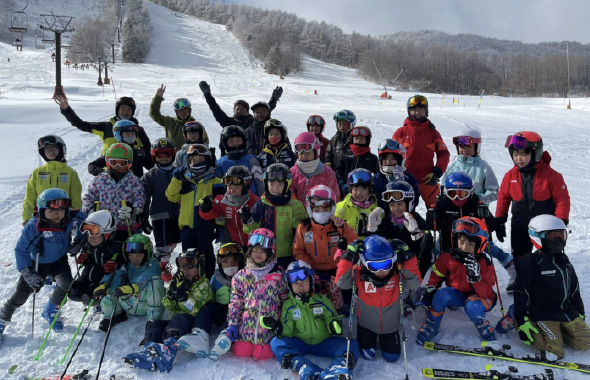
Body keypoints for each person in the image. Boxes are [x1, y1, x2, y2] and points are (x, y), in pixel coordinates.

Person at [496, 215, 589, 359]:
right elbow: (522, 293)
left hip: (566, 313)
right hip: (543, 316)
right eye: (552, 236)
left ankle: (560, 332)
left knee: (586, 342)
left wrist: (579, 311)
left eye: (561, 235)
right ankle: (526, 325)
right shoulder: (530, 263)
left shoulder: (564, 261)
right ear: (538, 237)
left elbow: (574, 289)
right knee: (556, 352)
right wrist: (522, 320)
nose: (558, 240)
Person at [0, 189, 86, 336]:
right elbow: (21, 250)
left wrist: (79, 240)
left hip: (59, 260)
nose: (57, 214)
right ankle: (2, 319)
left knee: (66, 285)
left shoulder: (70, 217)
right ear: (42, 210)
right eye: (52, 211)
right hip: (37, 263)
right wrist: (27, 273)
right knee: (22, 295)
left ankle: (51, 310)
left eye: (61, 210)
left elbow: (84, 220)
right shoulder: (34, 226)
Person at [263, 260, 360, 380]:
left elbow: (332, 316)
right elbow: (287, 328)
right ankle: (304, 367)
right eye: (296, 283)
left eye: (304, 281)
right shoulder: (289, 305)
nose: (301, 286)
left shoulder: (322, 300)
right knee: (276, 343)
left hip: (323, 342)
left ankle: (337, 368)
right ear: (290, 285)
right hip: (301, 342)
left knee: (351, 344)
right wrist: (278, 328)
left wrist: (334, 324)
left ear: (312, 280)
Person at [122, 249, 213, 373]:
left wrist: (183, 296)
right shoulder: (180, 282)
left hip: (191, 322)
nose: (185, 270)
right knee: (155, 325)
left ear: (200, 266)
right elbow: (169, 306)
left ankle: (167, 353)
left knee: (180, 317)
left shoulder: (203, 285)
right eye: (182, 265)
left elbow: (195, 310)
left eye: (190, 266)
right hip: (178, 322)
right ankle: (149, 352)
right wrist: (171, 295)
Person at [336, 236, 421, 362]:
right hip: (367, 324)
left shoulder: (396, 273)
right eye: (374, 266)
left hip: (390, 325)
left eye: (386, 264)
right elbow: (341, 283)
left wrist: (408, 258)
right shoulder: (359, 274)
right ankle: (366, 337)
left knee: (391, 357)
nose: (381, 271)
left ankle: (388, 339)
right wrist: (347, 258)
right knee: (367, 355)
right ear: (365, 263)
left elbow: (415, 283)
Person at [416, 217, 497, 345]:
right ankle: (432, 324)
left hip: (481, 299)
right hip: (458, 294)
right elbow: (435, 278)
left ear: (479, 244)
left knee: (473, 305)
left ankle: (482, 324)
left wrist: (476, 279)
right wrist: (430, 290)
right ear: (455, 239)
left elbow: (487, 292)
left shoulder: (484, 262)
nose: (465, 247)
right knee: (441, 295)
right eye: (461, 241)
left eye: (471, 244)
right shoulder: (447, 258)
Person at [427, 172, 515, 288]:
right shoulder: (443, 204)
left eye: (462, 194)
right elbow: (434, 226)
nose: (457, 198)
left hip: (474, 239)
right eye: (452, 194)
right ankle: (429, 281)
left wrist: (487, 216)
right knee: (433, 252)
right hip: (448, 237)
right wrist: (431, 217)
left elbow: (491, 226)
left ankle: (515, 274)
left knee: (494, 250)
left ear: (470, 192)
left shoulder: (475, 204)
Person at [496, 131, 570, 261]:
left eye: (524, 154)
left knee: (549, 257)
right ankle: (522, 279)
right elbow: (503, 198)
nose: (519, 158)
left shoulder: (552, 176)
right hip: (520, 223)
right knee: (520, 257)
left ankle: (548, 279)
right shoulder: (510, 176)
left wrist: (561, 222)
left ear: (536, 153)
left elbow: (562, 199)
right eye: (515, 154)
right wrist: (499, 221)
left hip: (546, 227)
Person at [293, 185, 357, 313]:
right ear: (310, 210)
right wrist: (309, 267)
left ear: (332, 209)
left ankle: (337, 311)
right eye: (316, 210)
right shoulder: (304, 227)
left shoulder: (338, 225)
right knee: (313, 291)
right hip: (313, 269)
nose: (321, 213)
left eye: (325, 209)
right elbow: (298, 250)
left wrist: (341, 228)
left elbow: (354, 242)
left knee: (335, 289)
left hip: (335, 268)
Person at [226, 229, 288, 359]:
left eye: (262, 252)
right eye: (255, 250)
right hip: (246, 327)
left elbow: (285, 301)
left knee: (265, 353)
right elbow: (236, 302)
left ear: (270, 253)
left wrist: (284, 326)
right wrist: (232, 323)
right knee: (240, 351)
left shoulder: (278, 276)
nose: (258, 254)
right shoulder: (240, 276)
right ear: (249, 252)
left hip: (269, 328)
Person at [166, 144, 223, 279]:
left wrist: (220, 225)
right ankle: (189, 281)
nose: (196, 164)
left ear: (207, 161)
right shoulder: (185, 180)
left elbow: (220, 204)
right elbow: (171, 196)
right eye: (193, 161)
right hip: (187, 227)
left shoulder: (214, 180)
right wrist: (176, 180)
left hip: (205, 226)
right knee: (188, 257)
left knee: (206, 254)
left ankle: (208, 279)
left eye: (200, 161)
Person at [92, 234, 165, 332]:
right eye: (131, 256)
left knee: (155, 281)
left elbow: (147, 275)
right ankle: (113, 315)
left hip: (145, 303)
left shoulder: (152, 265)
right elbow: (116, 275)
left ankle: (153, 320)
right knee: (111, 283)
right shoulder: (126, 266)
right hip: (129, 303)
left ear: (147, 253)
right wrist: (104, 284)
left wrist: (133, 287)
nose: (135, 259)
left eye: (139, 255)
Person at [241, 163, 307, 269]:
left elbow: (301, 232)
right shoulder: (261, 204)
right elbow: (252, 231)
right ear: (266, 184)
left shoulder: (294, 205)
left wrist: (298, 253)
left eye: (279, 185)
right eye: (271, 184)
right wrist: (247, 220)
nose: (275, 188)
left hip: (286, 254)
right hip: (264, 253)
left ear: (286, 184)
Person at [367, 181, 433, 278]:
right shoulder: (385, 221)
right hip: (388, 270)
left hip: (411, 270)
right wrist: (372, 231)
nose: (395, 208)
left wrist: (416, 234)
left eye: (399, 204)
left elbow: (426, 249)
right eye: (392, 205)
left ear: (408, 203)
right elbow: (375, 246)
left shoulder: (417, 221)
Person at [392, 95, 450, 207]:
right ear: (409, 111)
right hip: (406, 179)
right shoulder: (401, 133)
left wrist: (437, 172)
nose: (417, 113)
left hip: (428, 179)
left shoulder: (433, 133)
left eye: (421, 109)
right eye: (413, 110)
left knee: (437, 210)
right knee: (406, 211)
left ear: (426, 111)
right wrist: (397, 174)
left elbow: (443, 153)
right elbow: (392, 155)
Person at [198, 81, 282, 154]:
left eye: (243, 109)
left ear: (248, 111)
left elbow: (263, 112)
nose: (240, 111)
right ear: (234, 111)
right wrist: (208, 96)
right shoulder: (229, 122)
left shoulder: (253, 122)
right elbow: (216, 110)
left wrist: (273, 100)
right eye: (237, 109)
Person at [83, 143, 144, 242]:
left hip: (125, 227)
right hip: (103, 226)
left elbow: (140, 199)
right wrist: (89, 209)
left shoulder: (134, 181)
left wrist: (133, 210)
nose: (118, 166)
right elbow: (88, 196)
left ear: (129, 163)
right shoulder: (100, 179)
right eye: (114, 162)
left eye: (122, 163)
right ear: (108, 162)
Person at [55, 94, 151, 157]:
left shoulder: (138, 130)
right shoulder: (106, 127)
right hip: (107, 173)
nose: (126, 112)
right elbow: (81, 125)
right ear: (117, 110)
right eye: (123, 108)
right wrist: (66, 109)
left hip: (130, 174)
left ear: (133, 111)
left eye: (129, 109)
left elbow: (147, 154)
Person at [141, 138, 181, 282]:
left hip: (179, 214)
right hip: (160, 215)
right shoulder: (150, 175)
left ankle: (166, 263)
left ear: (173, 155)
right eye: (159, 154)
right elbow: (144, 197)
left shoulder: (179, 172)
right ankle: (160, 266)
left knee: (174, 242)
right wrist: (143, 215)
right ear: (153, 156)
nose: (164, 157)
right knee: (163, 245)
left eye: (167, 154)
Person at [22, 135, 82, 227]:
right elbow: (30, 197)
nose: (51, 152)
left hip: (62, 217)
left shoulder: (71, 173)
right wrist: (27, 217)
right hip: (40, 217)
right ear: (43, 153)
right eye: (47, 150)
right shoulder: (37, 173)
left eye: (54, 148)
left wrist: (75, 217)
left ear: (61, 149)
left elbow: (75, 196)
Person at [69, 210, 123, 306]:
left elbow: (125, 266)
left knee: (88, 298)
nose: (91, 237)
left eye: (95, 233)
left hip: (103, 281)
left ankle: (104, 303)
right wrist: (84, 259)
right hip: (87, 276)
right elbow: (91, 259)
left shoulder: (115, 248)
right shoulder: (89, 245)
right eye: (88, 233)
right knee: (72, 292)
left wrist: (116, 266)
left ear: (107, 234)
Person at [200, 165, 259, 248]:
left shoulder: (255, 202)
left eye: (237, 187)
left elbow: (261, 224)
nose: (232, 190)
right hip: (231, 243)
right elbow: (210, 214)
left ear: (245, 186)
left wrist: (249, 219)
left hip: (252, 244)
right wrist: (206, 209)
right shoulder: (222, 200)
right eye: (229, 187)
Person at [205, 243, 246, 361]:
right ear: (220, 264)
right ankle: (199, 332)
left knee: (233, 314)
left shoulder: (245, 278)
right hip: (220, 310)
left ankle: (225, 336)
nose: (230, 265)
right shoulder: (216, 279)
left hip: (236, 313)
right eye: (226, 262)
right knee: (206, 308)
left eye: (234, 261)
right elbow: (211, 297)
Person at [440, 127, 499, 205]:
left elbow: (493, 191)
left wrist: (480, 198)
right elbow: (443, 187)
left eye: (468, 147)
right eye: (462, 146)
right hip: (455, 208)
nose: (465, 150)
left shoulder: (483, 168)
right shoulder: (453, 167)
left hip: (476, 209)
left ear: (477, 147)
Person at [149, 85, 210, 149]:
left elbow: (205, 142)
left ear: (189, 111)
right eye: (180, 111)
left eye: (185, 110)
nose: (183, 113)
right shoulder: (169, 122)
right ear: (176, 112)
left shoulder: (196, 125)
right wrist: (157, 98)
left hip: (191, 157)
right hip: (173, 157)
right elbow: (154, 113)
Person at [88, 120, 154, 179]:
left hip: (136, 190)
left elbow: (153, 168)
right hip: (116, 189)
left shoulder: (140, 153)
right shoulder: (113, 152)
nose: (131, 137)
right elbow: (91, 166)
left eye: (133, 134)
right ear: (118, 135)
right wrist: (106, 173)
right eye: (127, 134)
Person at [290, 132, 340, 204]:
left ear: (316, 151)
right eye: (301, 153)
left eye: (308, 152)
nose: (304, 156)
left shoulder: (327, 173)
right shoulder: (292, 173)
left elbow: (335, 196)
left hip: (321, 212)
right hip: (298, 214)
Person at [214, 125, 264, 196]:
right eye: (231, 142)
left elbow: (259, 181)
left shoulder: (251, 160)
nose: (236, 144)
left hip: (251, 199)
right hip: (229, 200)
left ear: (243, 141)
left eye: (238, 140)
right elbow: (218, 183)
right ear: (225, 144)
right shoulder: (221, 163)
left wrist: (261, 199)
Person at [373, 139, 420, 210]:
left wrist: (404, 184)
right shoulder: (376, 178)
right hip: (381, 217)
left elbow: (415, 201)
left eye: (392, 159)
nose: (388, 162)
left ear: (400, 160)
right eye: (385, 159)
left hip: (402, 216)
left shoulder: (409, 178)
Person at [335, 169, 378, 240]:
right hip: (346, 248)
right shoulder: (340, 207)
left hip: (367, 248)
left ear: (369, 190)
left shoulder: (376, 209)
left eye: (363, 189)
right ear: (351, 190)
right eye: (355, 189)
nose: (359, 193)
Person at [325, 110, 355, 191]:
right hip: (337, 179)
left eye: (344, 124)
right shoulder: (334, 140)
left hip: (353, 179)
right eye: (339, 124)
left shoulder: (355, 139)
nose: (342, 126)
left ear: (351, 124)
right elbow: (328, 156)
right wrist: (331, 172)